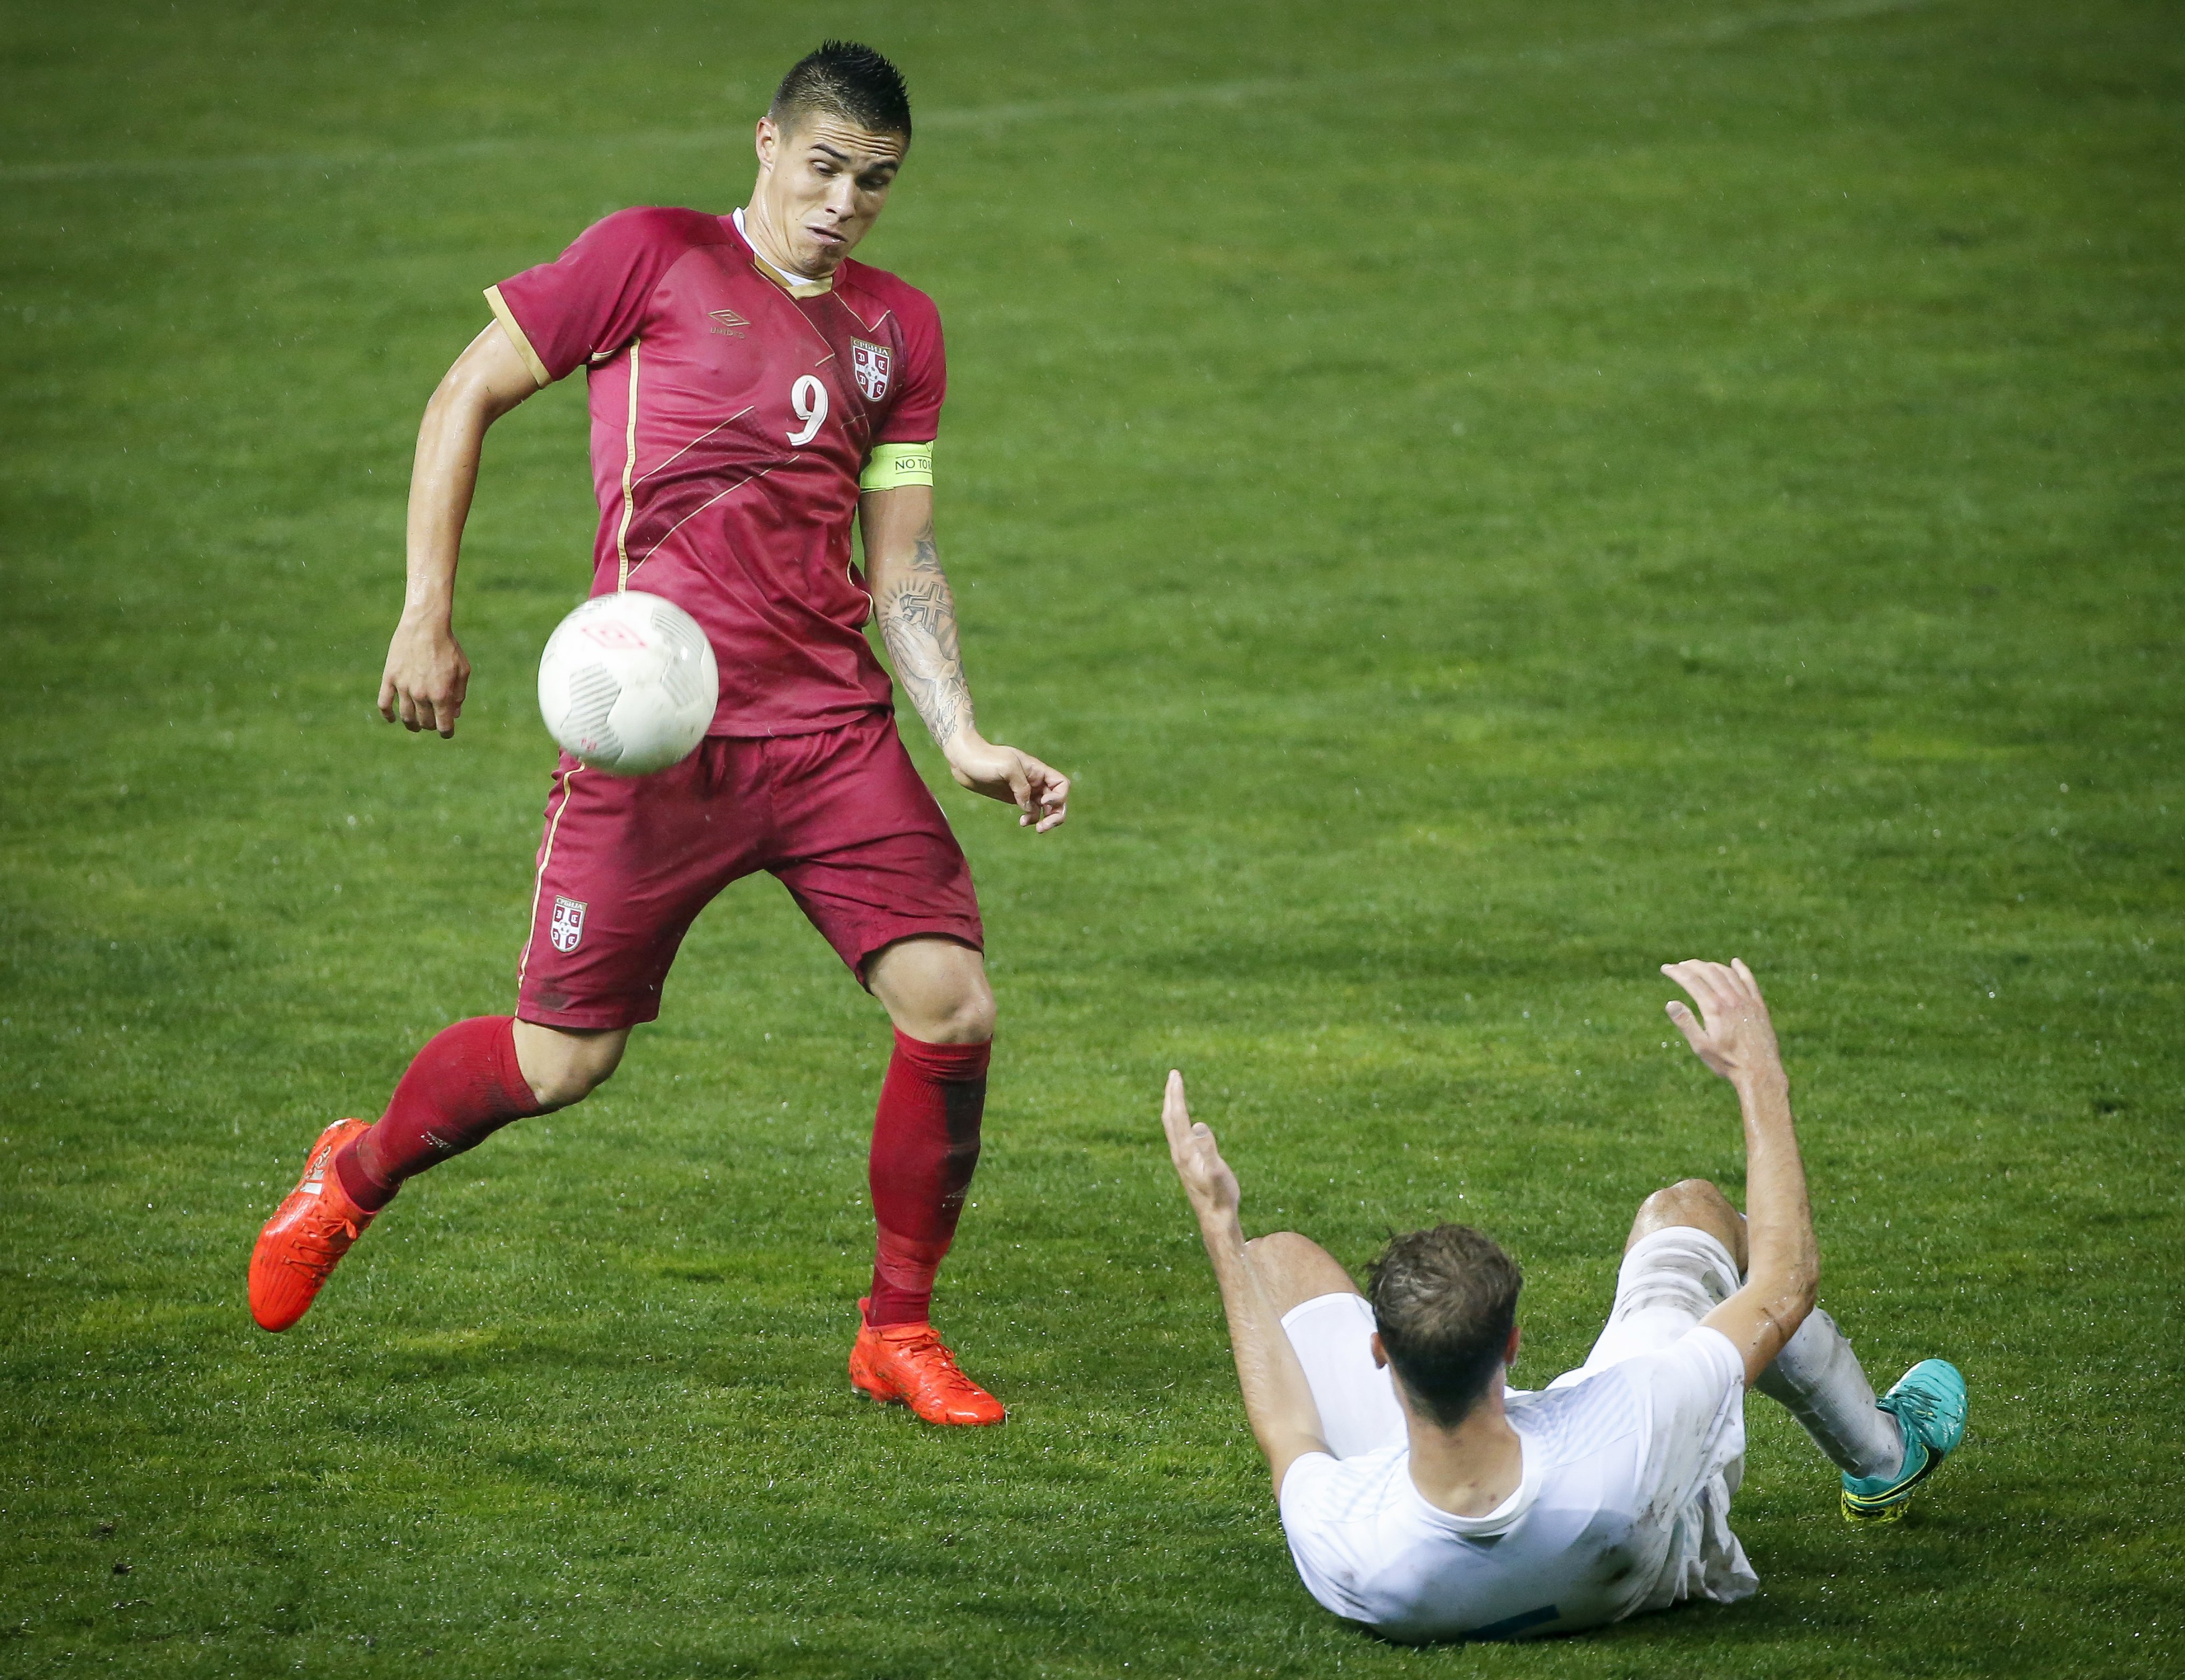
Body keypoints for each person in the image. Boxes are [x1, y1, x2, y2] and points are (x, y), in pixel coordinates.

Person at [248, 42, 1068, 1427]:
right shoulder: (649, 258)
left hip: (830, 738)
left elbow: (906, 554)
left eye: (874, 183)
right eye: (823, 169)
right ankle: (355, 1171)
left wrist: (962, 734)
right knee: (561, 1061)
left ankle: (895, 1331)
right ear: (764, 144)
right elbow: (465, 395)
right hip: (653, 737)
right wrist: (422, 616)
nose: (844, 204)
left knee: (953, 1009)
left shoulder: (899, 331)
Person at [1160, 959, 1967, 1641]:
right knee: (1685, 1211)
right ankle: (1882, 1456)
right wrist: (1761, 1076)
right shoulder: (1637, 1420)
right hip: (1641, 1525)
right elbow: (1781, 1288)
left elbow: (1287, 1430)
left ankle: (1249, 1252)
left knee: (1274, 1263)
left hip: (1424, 1503)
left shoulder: (1343, 1535)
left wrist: (1220, 1231)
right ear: (1511, 1349)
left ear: (1384, 1353)